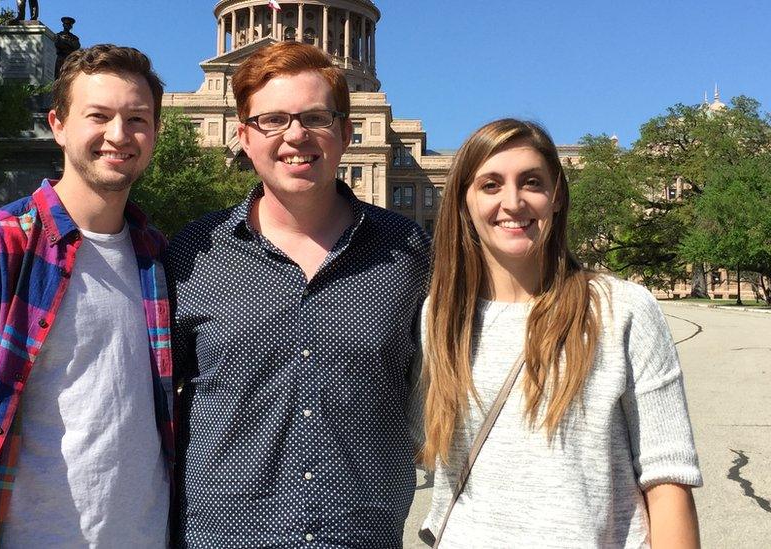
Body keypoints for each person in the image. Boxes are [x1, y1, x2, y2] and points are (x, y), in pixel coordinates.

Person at [0, 45, 173, 548]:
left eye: (137, 118)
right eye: (99, 116)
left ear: (155, 132)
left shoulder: (157, 256)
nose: (119, 135)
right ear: (59, 124)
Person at [165, 41, 430, 547]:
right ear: (243, 135)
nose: (295, 136)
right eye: (273, 120)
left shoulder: (410, 251)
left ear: (347, 132)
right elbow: (145, 400)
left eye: (316, 118)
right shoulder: (192, 253)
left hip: (359, 535)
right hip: (221, 536)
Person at [419, 118, 702, 547]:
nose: (512, 202)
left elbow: (668, 481)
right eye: (490, 185)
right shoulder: (441, 317)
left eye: (531, 182)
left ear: (556, 197)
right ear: (463, 202)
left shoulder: (621, 310)